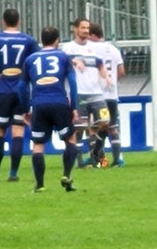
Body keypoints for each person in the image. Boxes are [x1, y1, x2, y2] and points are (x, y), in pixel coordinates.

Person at [0, 8, 40, 181]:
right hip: (21, 90)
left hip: (2, 91)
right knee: (18, 131)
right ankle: (13, 174)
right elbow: (39, 60)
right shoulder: (28, 40)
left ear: (3, 21)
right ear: (18, 21)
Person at [23, 26, 80, 192]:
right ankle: (66, 176)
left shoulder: (30, 59)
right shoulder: (63, 56)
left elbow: (22, 85)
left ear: (42, 40)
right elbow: (73, 83)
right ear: (57, 40)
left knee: (38, 144)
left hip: (39, 104)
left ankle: (40, 185)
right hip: (59, 102)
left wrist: (26, 107)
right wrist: (74, 106)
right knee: (70, 139)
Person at [60, 18, 110, 169]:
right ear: (75, 29)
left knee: (105, 122)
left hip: (96, 92)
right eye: (83, 28)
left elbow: (100, 64)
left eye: (87, 28)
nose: (86, 31)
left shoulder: (94, 48)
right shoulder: (67, 48)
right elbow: (62, 62)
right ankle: (80, 160)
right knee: (78, 128)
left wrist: (105, 76)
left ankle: (94, 154)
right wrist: (75, 61)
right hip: (78, 93)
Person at [89, 22, 126, 167]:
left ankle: (97, 157)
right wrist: (111, 83)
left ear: (92, 35)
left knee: (94, 127)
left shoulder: (91, 49)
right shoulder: (113, 49)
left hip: (97, 96)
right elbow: (122, 71)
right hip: (112, 95)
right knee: (112, 128)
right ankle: (117, 160)